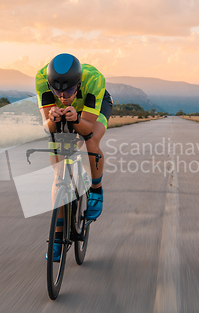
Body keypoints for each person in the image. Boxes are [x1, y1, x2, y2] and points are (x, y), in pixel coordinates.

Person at [35, 53, 113, 261]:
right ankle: (58, 238)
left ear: (78, 84)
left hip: (93, 108)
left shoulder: (94, 80)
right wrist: (52, 119)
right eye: (57, 91)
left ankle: (96, 189)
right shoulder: (42, 79)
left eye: (69, 90)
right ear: (50, 84)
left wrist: (76, 118)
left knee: (90, 141)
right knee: (60, 173)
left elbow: (86, 128)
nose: (63, 96)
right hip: (68, 114)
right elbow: (47, 127)